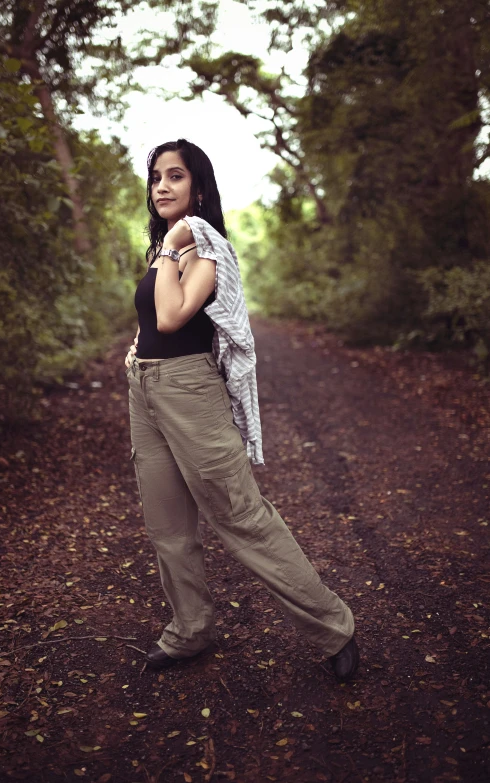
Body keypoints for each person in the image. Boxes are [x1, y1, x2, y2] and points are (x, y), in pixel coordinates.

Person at [124, 138, 359, 682]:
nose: (162, 185)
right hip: (146, 390)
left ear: (198, 188)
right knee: (167, 525)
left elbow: (176, 315)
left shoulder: (205, 244)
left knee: (240, 515)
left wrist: (169, 250)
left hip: (190, 394)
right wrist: (136, 351)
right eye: (156, 176)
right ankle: (191, 629)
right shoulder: (170, 246)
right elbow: (152, 322)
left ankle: (333, 626)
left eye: (175, 176)